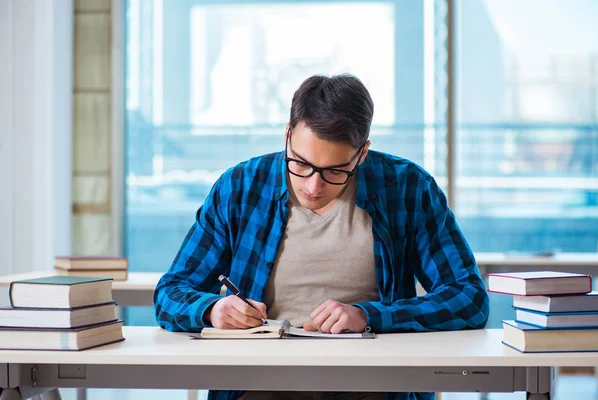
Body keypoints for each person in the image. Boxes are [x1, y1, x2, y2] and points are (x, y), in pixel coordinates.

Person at [154, 74, 490, 400]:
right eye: (300, 164)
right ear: (287, 135)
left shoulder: (408, 188)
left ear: (362, 153)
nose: (314, 186)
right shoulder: (240, 188)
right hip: (259, 384)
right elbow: (170, 292)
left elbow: (469, 298)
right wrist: (213, 309)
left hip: (374, 386)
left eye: (335, 171)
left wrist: (370, 316)